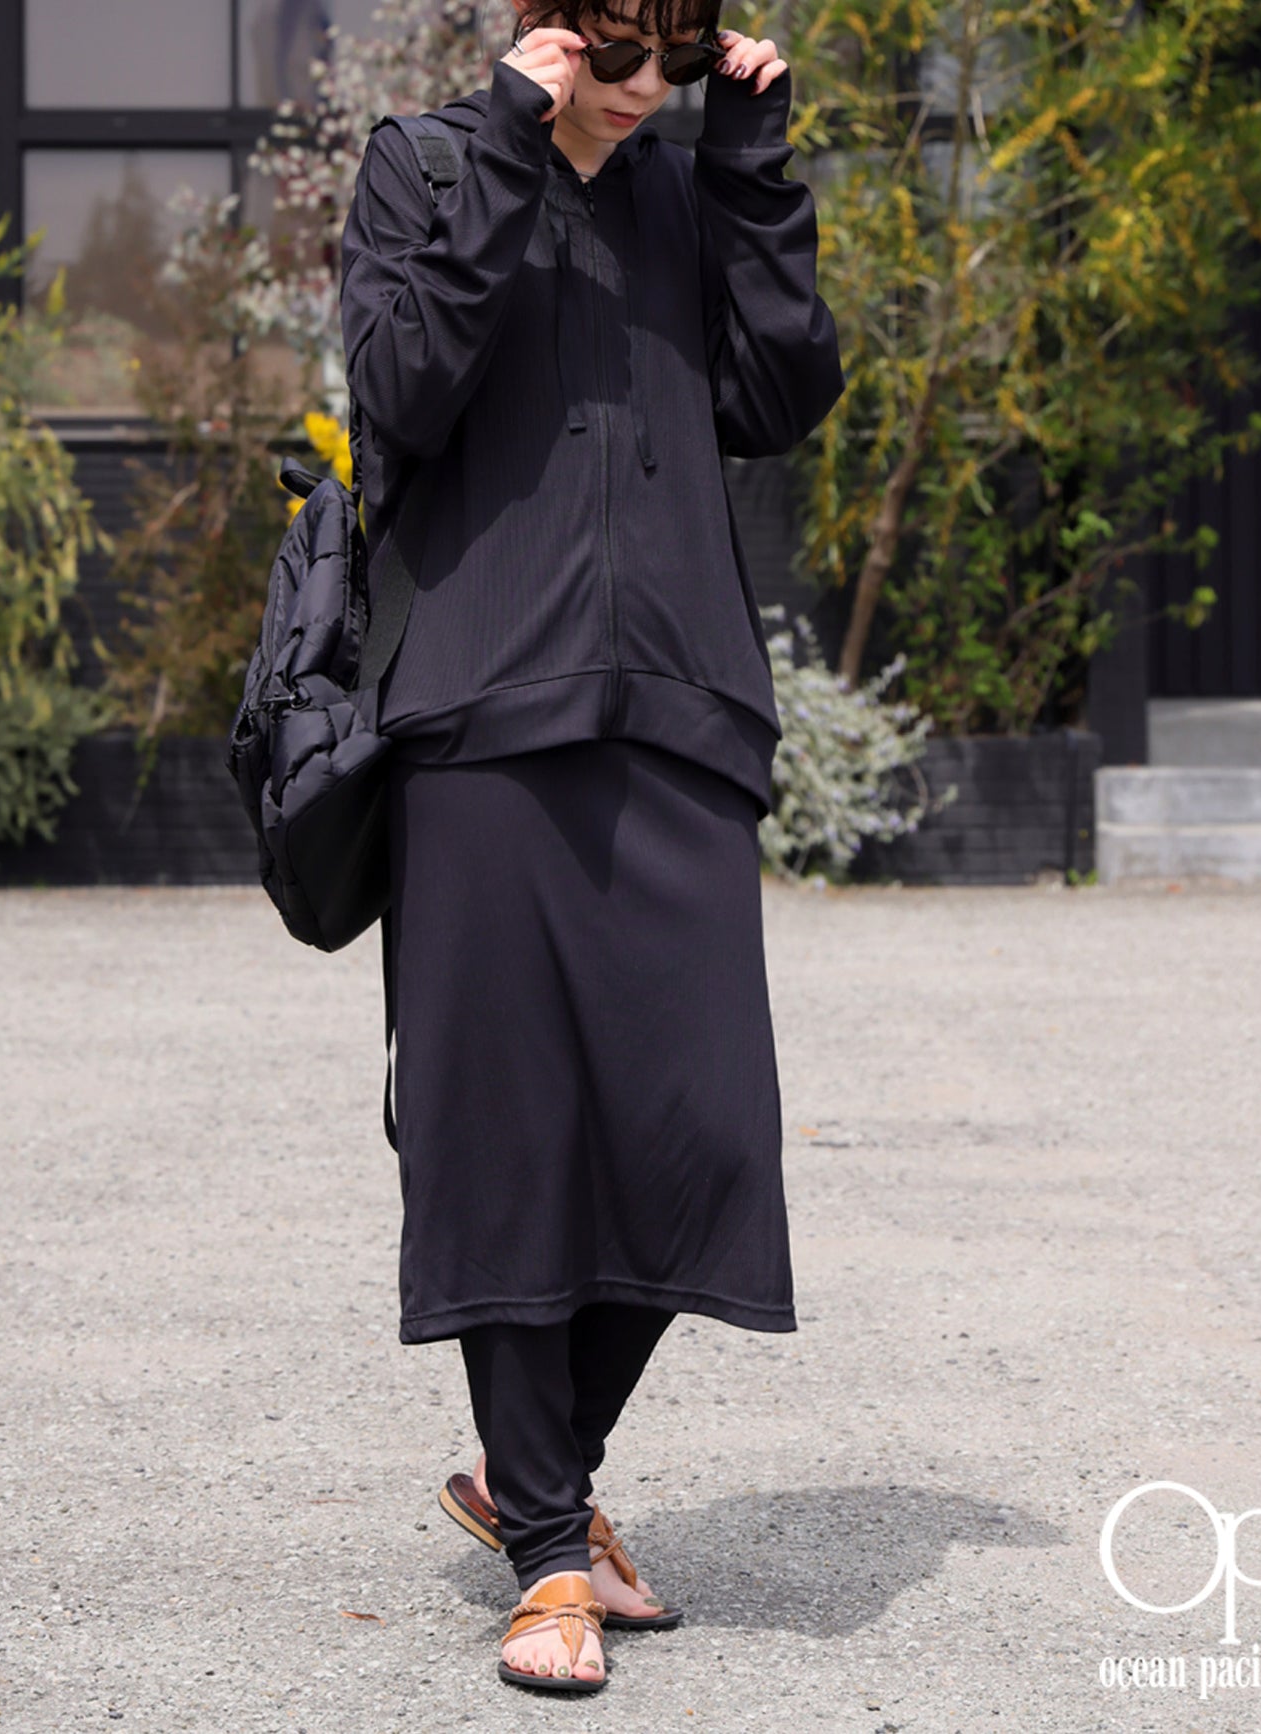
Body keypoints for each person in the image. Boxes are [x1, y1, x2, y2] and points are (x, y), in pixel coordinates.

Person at [339, 0, 843, 1695]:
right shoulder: (426, 164)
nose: (640, 97)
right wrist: (506, 145)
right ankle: (548, 1551)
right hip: (482, 715)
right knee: (505, 1143)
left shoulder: (688, 188)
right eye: (617, 60)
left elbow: (776, 394)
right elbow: (401, 389)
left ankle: (527, 1473)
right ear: (546, 28)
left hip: (680, 707)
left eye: (670, 68)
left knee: (707, 1132)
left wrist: (752, 171)